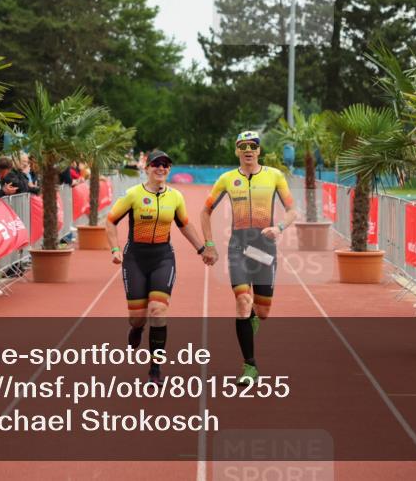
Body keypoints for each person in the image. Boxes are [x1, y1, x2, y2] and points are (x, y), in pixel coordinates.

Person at [105, 150, 211, 383]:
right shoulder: (133, 194)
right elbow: (111, 220)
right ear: (147, 168)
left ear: (169, 169)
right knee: (138, 317)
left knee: (158, 309)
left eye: (166, 165)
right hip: (135, 258)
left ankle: (155, 367)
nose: (161, 168)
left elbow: (184, 225)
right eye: (156, 164)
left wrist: (202, 249)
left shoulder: (176, 197)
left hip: (162, 257)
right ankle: (137, 329)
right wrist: (114, 249)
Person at [200, 130, 297, 385]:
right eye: (242, 146)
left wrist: (279, 228)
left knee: (262, 311)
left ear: (259, 150)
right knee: (243, 300)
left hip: (264, 248)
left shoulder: (274, 176)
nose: (248, 150)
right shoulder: (227, 179)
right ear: (236, 151)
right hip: (238, 248)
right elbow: (205, 210)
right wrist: (209, 244)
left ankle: (254, 316)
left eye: (252, 145)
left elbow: (291, 210)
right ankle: (250, 366)